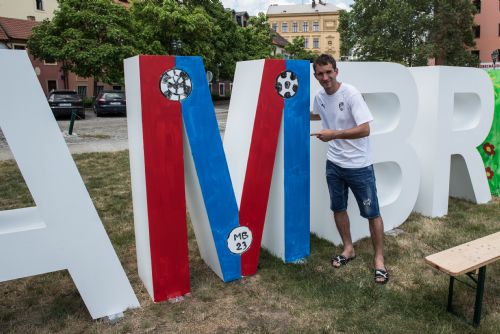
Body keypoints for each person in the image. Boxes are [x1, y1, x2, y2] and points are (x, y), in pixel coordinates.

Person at [310, 54, 389, 284]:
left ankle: (379, 260)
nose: (325, 77)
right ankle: (348, 249)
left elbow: (365, 129)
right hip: (334, 164)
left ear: (336, 71)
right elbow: (319, 113)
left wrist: (334, 134)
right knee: (338, 208)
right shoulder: (319, 96)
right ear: (315, 76)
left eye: (328, 72)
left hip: (359, 166)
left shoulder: (351, 94)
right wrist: (289, 112)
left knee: (372, 213)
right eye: (320, 74)